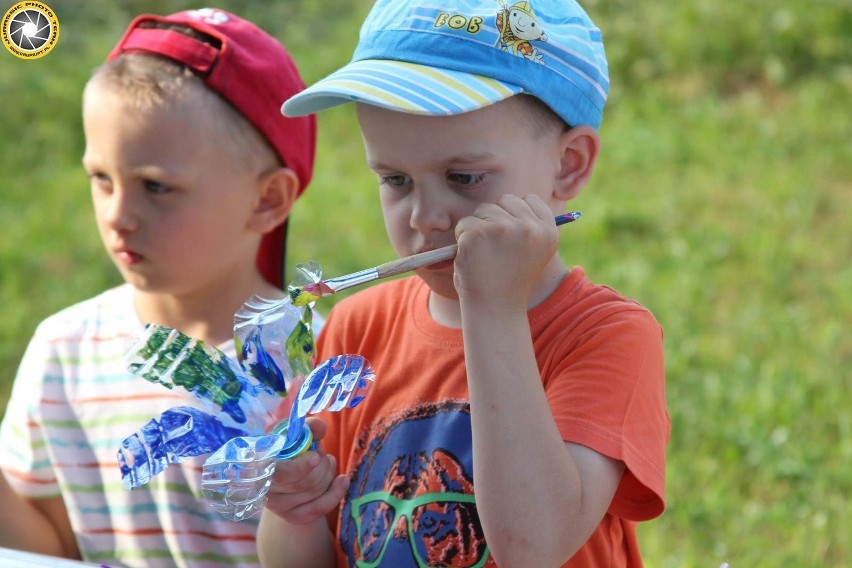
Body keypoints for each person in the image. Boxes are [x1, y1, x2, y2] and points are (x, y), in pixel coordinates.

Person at [256, 0, 670, 567]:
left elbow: (533, 546)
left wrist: (494, 309)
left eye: (464, 177)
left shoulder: (604, 337)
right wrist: (294, 507)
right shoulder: (357, 327)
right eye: (395, 179)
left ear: (568, 166)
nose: (425, 216)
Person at [0, 8, 317, 567]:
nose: (118, 215)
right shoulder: (64, 350)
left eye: (156, 187)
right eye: (101, 179)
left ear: (268, 200)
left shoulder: (312, 363)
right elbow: (52, 548)